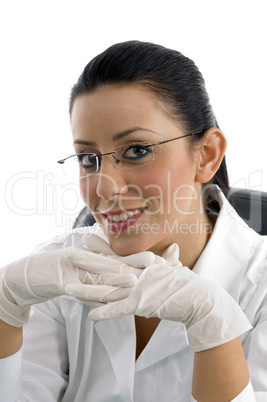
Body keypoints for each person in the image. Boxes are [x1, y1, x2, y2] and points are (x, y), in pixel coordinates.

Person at [0, 41, 266, 402]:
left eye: (137, 151)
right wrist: (4, 311)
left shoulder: (260, 288)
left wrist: (215, 332)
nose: (105, 190)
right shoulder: (54, 272)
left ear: (207, 154)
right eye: (88, 159)